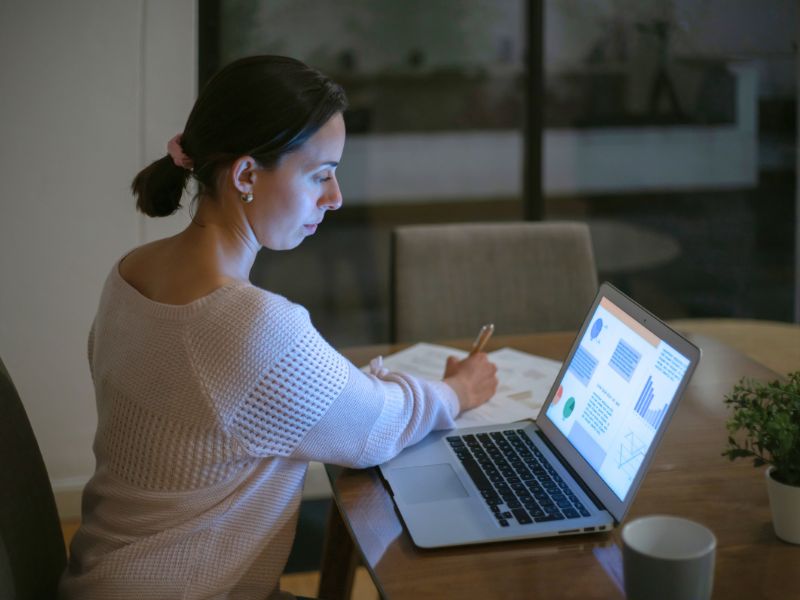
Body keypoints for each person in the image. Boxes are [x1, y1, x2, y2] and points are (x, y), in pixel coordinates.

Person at [59, 55, 498, 599]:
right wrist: (459, 389)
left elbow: (224, 404)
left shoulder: (130, 272)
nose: (335, 197)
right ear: (246, 174)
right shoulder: (252, 325)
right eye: (320, 174)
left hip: (100, 579)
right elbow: (376, 429)